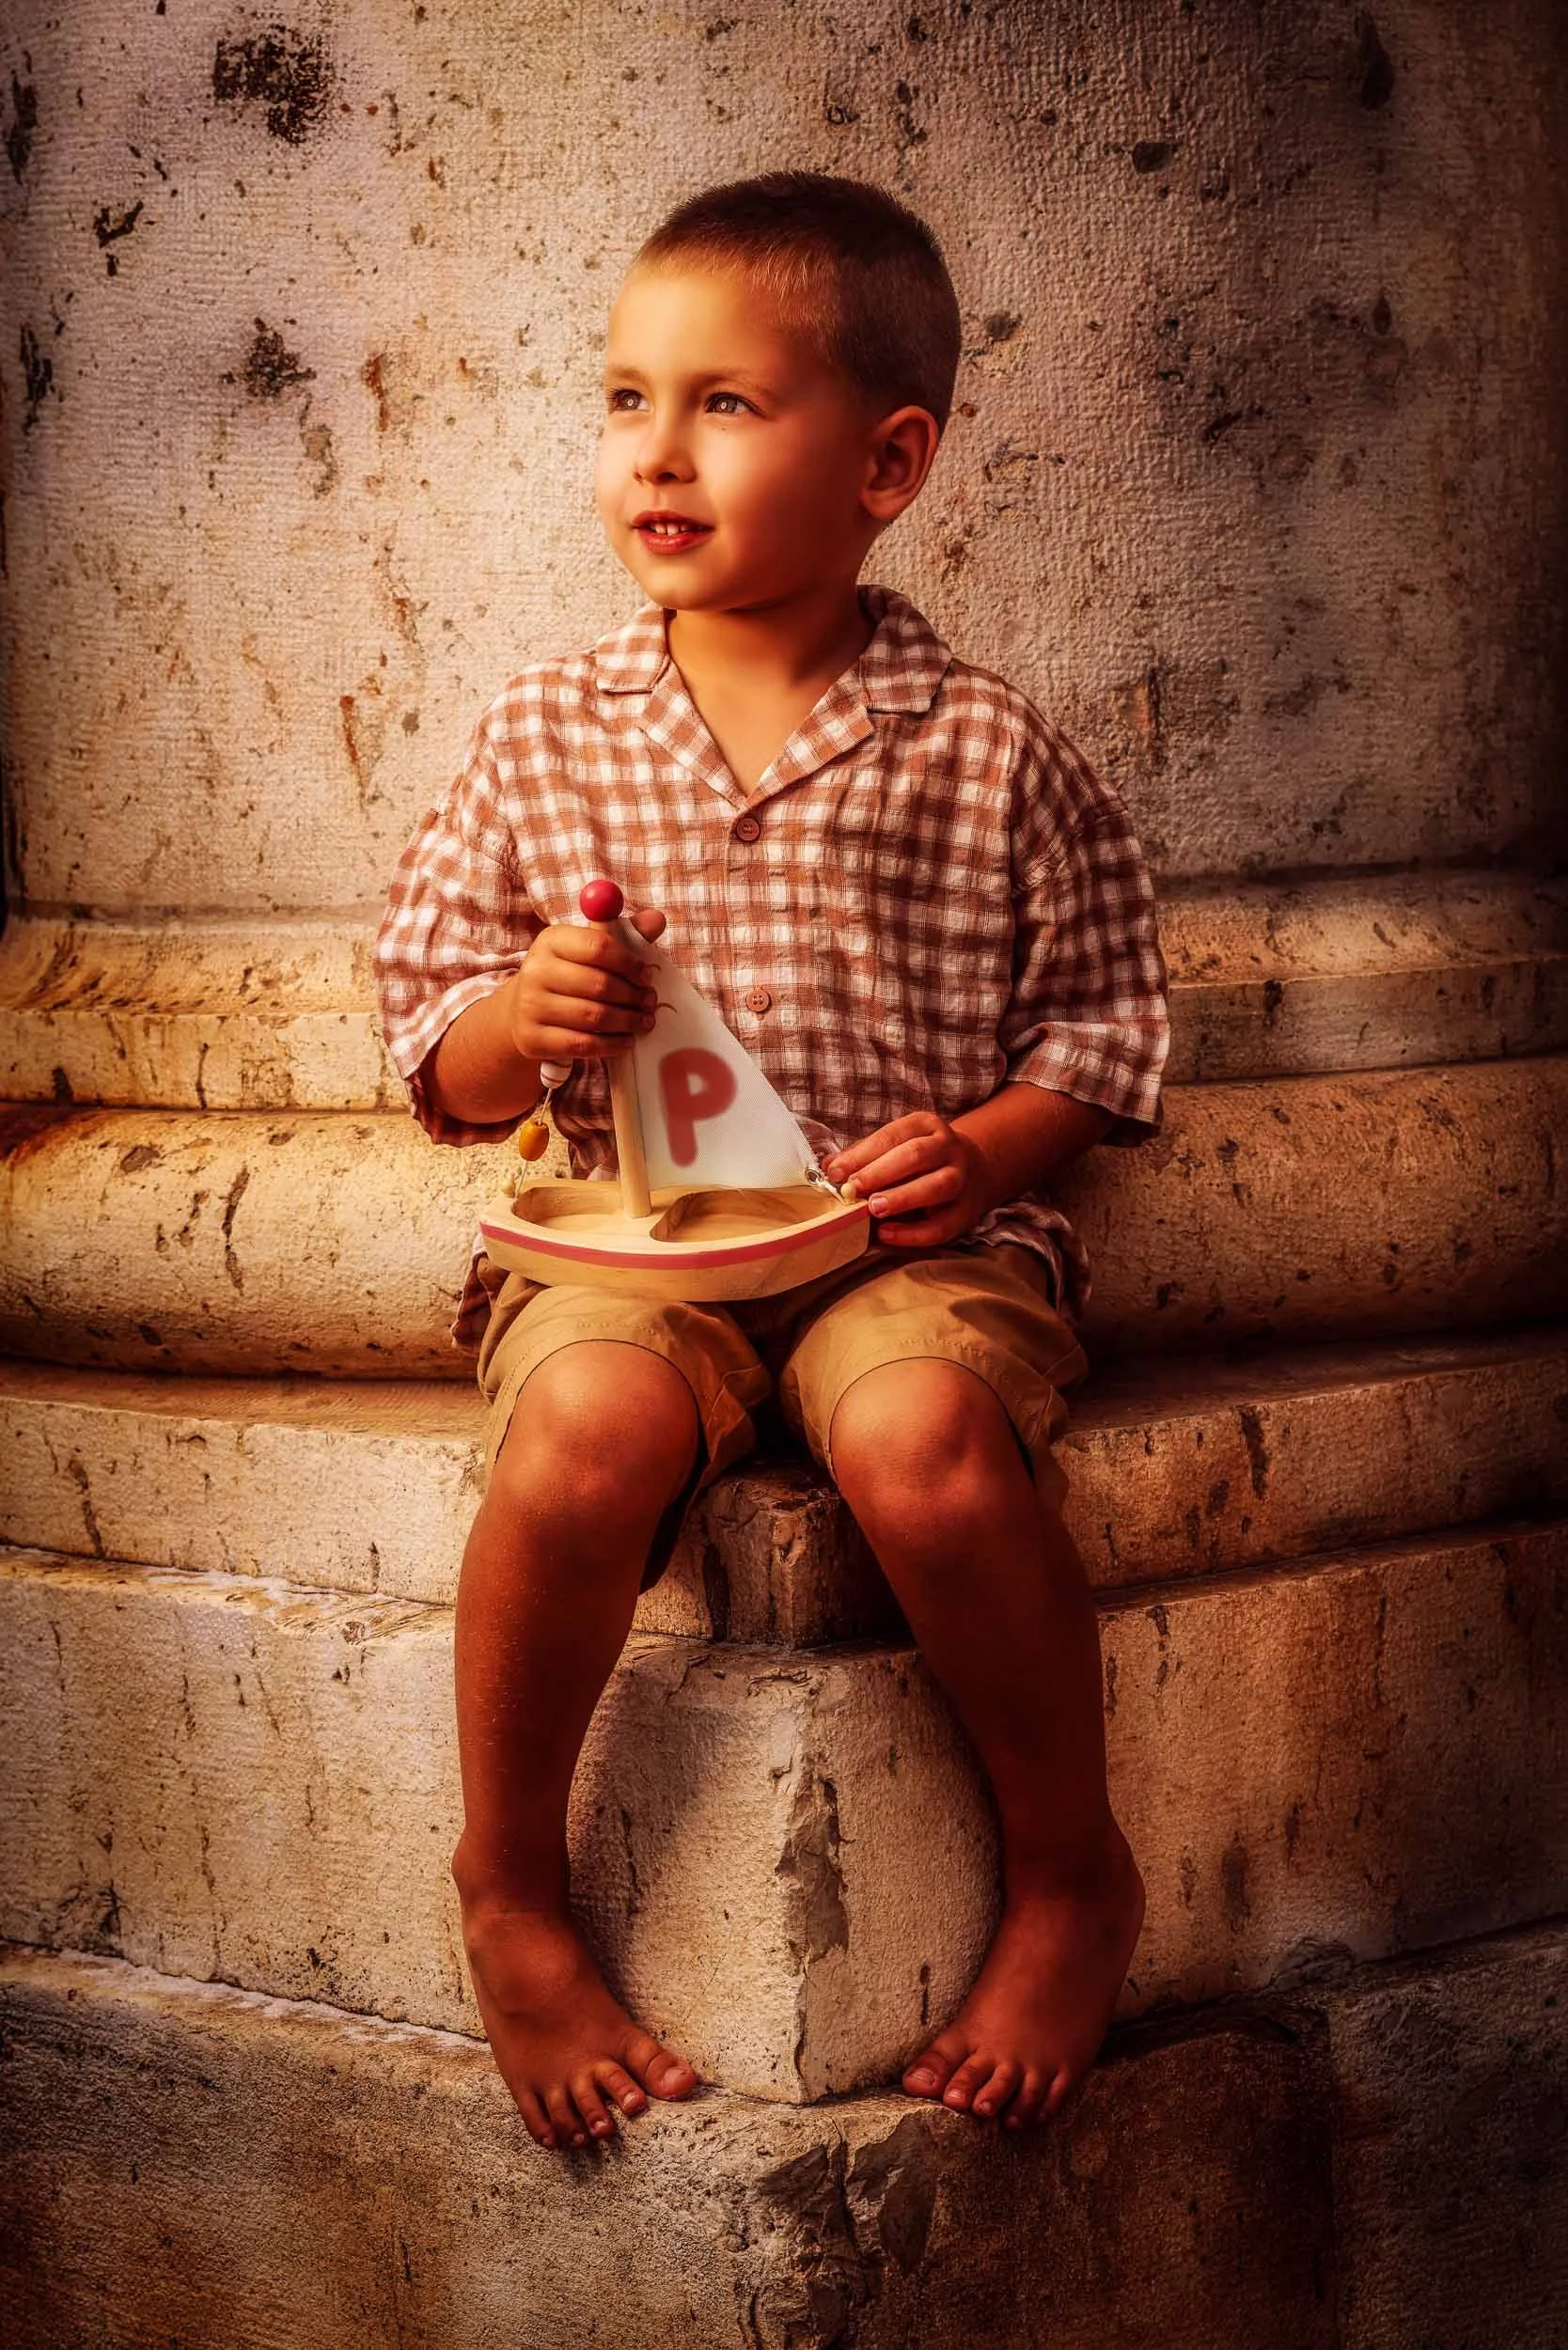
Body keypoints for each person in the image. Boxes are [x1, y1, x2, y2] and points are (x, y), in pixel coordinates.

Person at [375, 171, 1169, 2155]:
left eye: (726, 405)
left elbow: (1110, 1027)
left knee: (923, 1445)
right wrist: (520, 1018)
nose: (657, 449)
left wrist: (982, 1145)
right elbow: (434, 1048)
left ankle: (1073, 1871)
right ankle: (511, 1885)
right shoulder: (544, 725)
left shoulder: (985, 747)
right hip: (633, 1242)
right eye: (627, 398)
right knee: (573, 1446)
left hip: (895, 1251)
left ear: (889, 459)